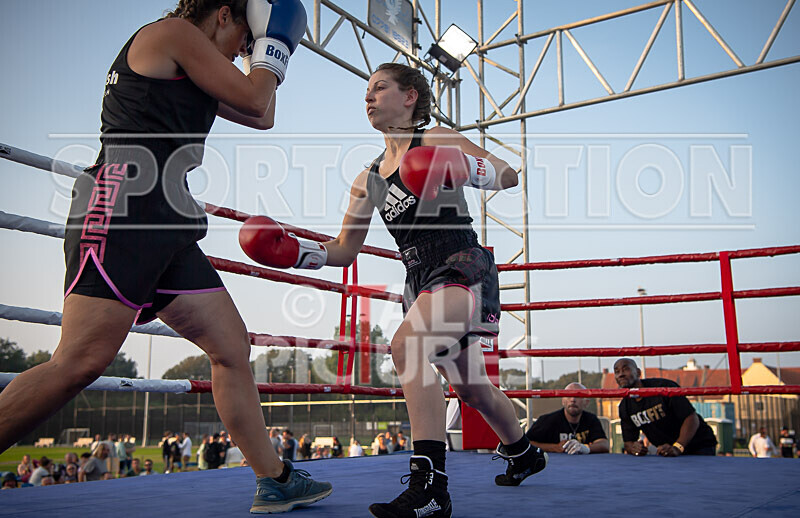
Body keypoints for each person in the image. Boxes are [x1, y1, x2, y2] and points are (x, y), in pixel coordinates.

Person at [0, 0, 332, 513]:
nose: (245, 52)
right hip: (123, 204)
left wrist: (267, 47)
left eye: (251, 48)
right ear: (224, 13)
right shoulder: (172, 34)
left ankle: (275, 478)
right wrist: (267, 49)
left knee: (230, 346)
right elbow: (254, 92)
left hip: (166, 215)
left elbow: (261, 114)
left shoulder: (198, 64)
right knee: (79, 362)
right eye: (243, 38)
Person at [238, 62, 546, 518]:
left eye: (380, 88)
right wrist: (294, 250)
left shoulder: (436, 139)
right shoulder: (368, 180)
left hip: (460, 262)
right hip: (419, 277)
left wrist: (463, 166)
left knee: (408, 345)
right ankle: (523, 452)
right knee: (472, 387)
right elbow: (344, 249)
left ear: (410, 98)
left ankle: (431, 484)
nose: (369, 97)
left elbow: (507, 175)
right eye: (366, 91)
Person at [614, 358, 717, 456]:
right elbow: (628, 442)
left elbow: (691, 418)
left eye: (626, 369)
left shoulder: (662, 387)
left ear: (638, 372)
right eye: (617, 371)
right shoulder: (625, 406)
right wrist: (635, 448)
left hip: (698, 445)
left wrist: (678, 447)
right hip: (667, 451)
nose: (621, 374)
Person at [525, 382, 609, 454]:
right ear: (563, 400)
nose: (572, 399)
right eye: (568, 395)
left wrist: (586, 448)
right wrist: (554, 447)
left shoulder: (591, 420)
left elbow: (604, 445)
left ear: (586, 402)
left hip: (584, 466)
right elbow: (527, 443)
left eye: (578, 396)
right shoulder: (547, 421)